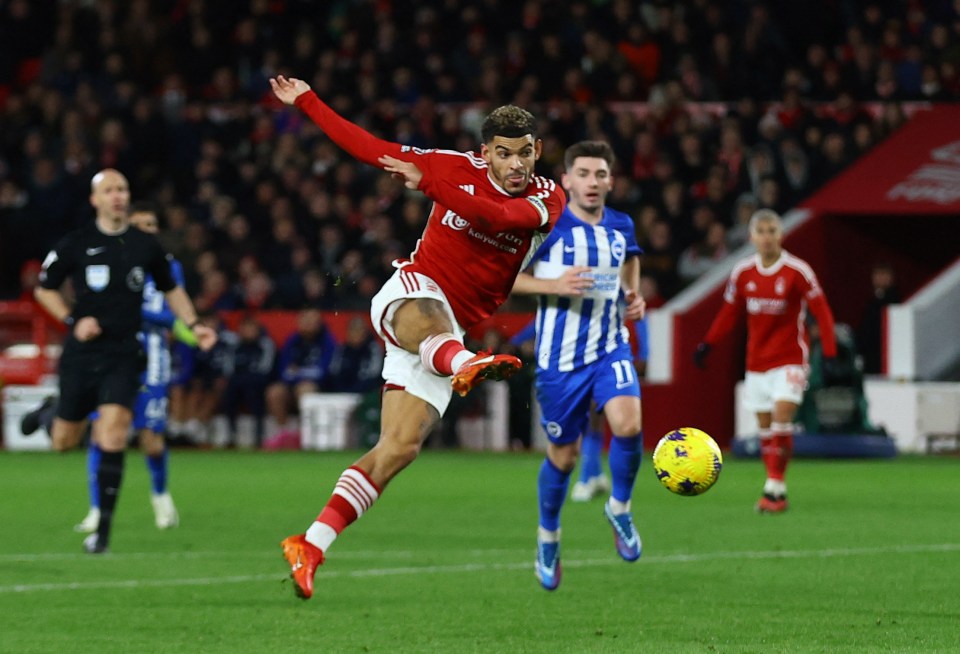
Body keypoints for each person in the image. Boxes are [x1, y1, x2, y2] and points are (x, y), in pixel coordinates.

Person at [269, 74, 565, 599]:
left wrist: (428, 185)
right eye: (504, 153)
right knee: (432, 319)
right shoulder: (452, 164)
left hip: (450, 332)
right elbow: (371, 148)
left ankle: (309, 543)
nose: (517, 165)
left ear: (537, 151)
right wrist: (309, 101)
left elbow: (496, 215)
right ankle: (461, 363)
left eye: (525, 153)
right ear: (485, 152)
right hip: (412, 293)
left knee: (398, 449)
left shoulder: (547, 198)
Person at [34, 169, 217, 553]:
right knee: (64, 443)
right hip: (82, 355)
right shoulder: (77, 243)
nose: (117, 195)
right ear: (95, 200)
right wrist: (72, 319)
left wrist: (195, 324)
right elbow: (44, 289)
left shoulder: (144, 245)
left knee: (113, 433)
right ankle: (51, 413)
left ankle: (102, 531)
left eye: (122, 189)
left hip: (124, 352)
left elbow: (172, 289)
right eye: (109, 190)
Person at [511, 140, 645, 590]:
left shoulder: (621, 224)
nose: (592, 182)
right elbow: (509, 278)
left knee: (627, 425)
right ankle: (548, 536)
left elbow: (629, 263)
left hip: (610, 347)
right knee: (563, 457)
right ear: (566, 180)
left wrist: (632, 296)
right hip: (559, 361)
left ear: (610, 181)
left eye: (600, 174)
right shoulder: (546, 225)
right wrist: (555, 284)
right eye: (583, 174)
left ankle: (620, 509)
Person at [693, 208, 837, 514]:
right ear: (752, 236)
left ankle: (774, 485)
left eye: (773, 231)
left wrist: (830, 352)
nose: (768, 237)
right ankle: (776, 488)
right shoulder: (743, 272)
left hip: (790, 358)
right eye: (762, 232)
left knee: (782, 416)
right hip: (756, 361)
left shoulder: (797, 271)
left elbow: (821, 311)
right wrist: (708, 343)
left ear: (781, 235)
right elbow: (729, 312)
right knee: (764, 428)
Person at [74, 202, 198, 533]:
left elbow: (169, 312)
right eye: (139, 224)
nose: (146, 230)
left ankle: (160, 497)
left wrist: (124, 312)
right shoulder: (108, 257)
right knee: (102, 432)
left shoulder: (167, 266)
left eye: (151, 225)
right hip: (112, 356)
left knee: (151, 439)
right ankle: (97, 509)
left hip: (152, 358)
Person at [856, 262, 900, 375]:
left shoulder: (893, 301)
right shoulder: (874, 300)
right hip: (870, 357)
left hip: (882, 357)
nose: (879, 278)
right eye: (877, 274)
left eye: (883, 274)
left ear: (890, 277)